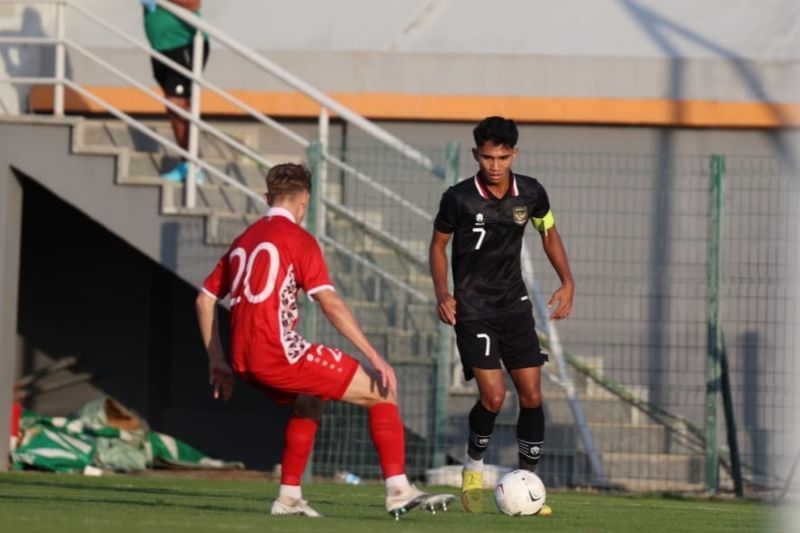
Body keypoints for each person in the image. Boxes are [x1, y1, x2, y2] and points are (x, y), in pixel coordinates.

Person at [196, 163, 451, 518]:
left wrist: (217, 361)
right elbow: (329, 302)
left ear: (266, 198)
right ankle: (398, 489)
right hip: (278, 351)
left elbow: (204, 299)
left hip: (242, 357)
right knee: (383, 391)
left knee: (310, 403)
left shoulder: (244, 240)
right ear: (305, 201)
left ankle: (288, 497)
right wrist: (373, 355)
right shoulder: (298, 240)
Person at [429, 116, 574, 516]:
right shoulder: (458, 198)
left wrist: (567, 281)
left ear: (514, 155)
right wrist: (444, 293)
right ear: (477, 154)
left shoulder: (530, 193)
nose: (495, 165)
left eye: (503, 157)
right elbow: (438, 246)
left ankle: (529, 486)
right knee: (493, 397)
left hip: (514, 306)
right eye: (488, 157)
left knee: (532, 395)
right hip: (473, 309)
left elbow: (548, 232)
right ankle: (473, 469)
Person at [141, 0, 208, 183]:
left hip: (183, 44)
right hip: (162, 47)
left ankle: (195, 165)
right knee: (175, 107)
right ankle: (188, 163)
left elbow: (194, 3)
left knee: (177, 103)